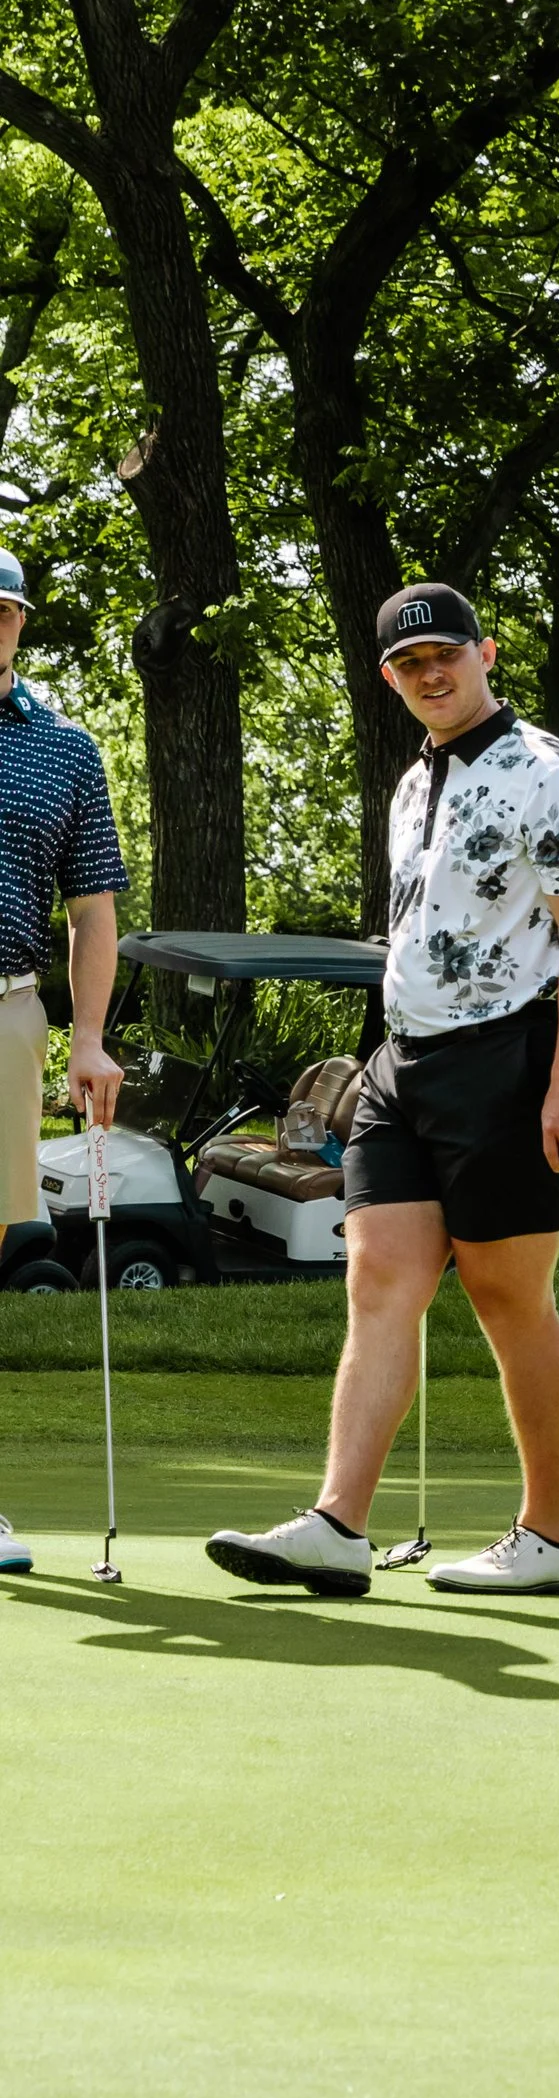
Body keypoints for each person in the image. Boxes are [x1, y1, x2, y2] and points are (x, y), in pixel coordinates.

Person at [207, 582, 559, 1600]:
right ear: (389, 676)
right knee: (377, 1280)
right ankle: (339, 1523)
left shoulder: (553, 777)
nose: (429, 673)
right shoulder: (409, 784)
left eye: (444, 653)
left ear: (484, 652)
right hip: (402, 1062)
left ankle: (551, 1537)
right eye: (406, 663)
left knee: (505, 1294)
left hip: (510, 1061)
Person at [0, 544, 126, 1576]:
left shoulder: (67, 748)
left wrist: (86, 1037)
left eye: (1, 611)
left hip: (7, 1009)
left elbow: (92, 910)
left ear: (21, 623)